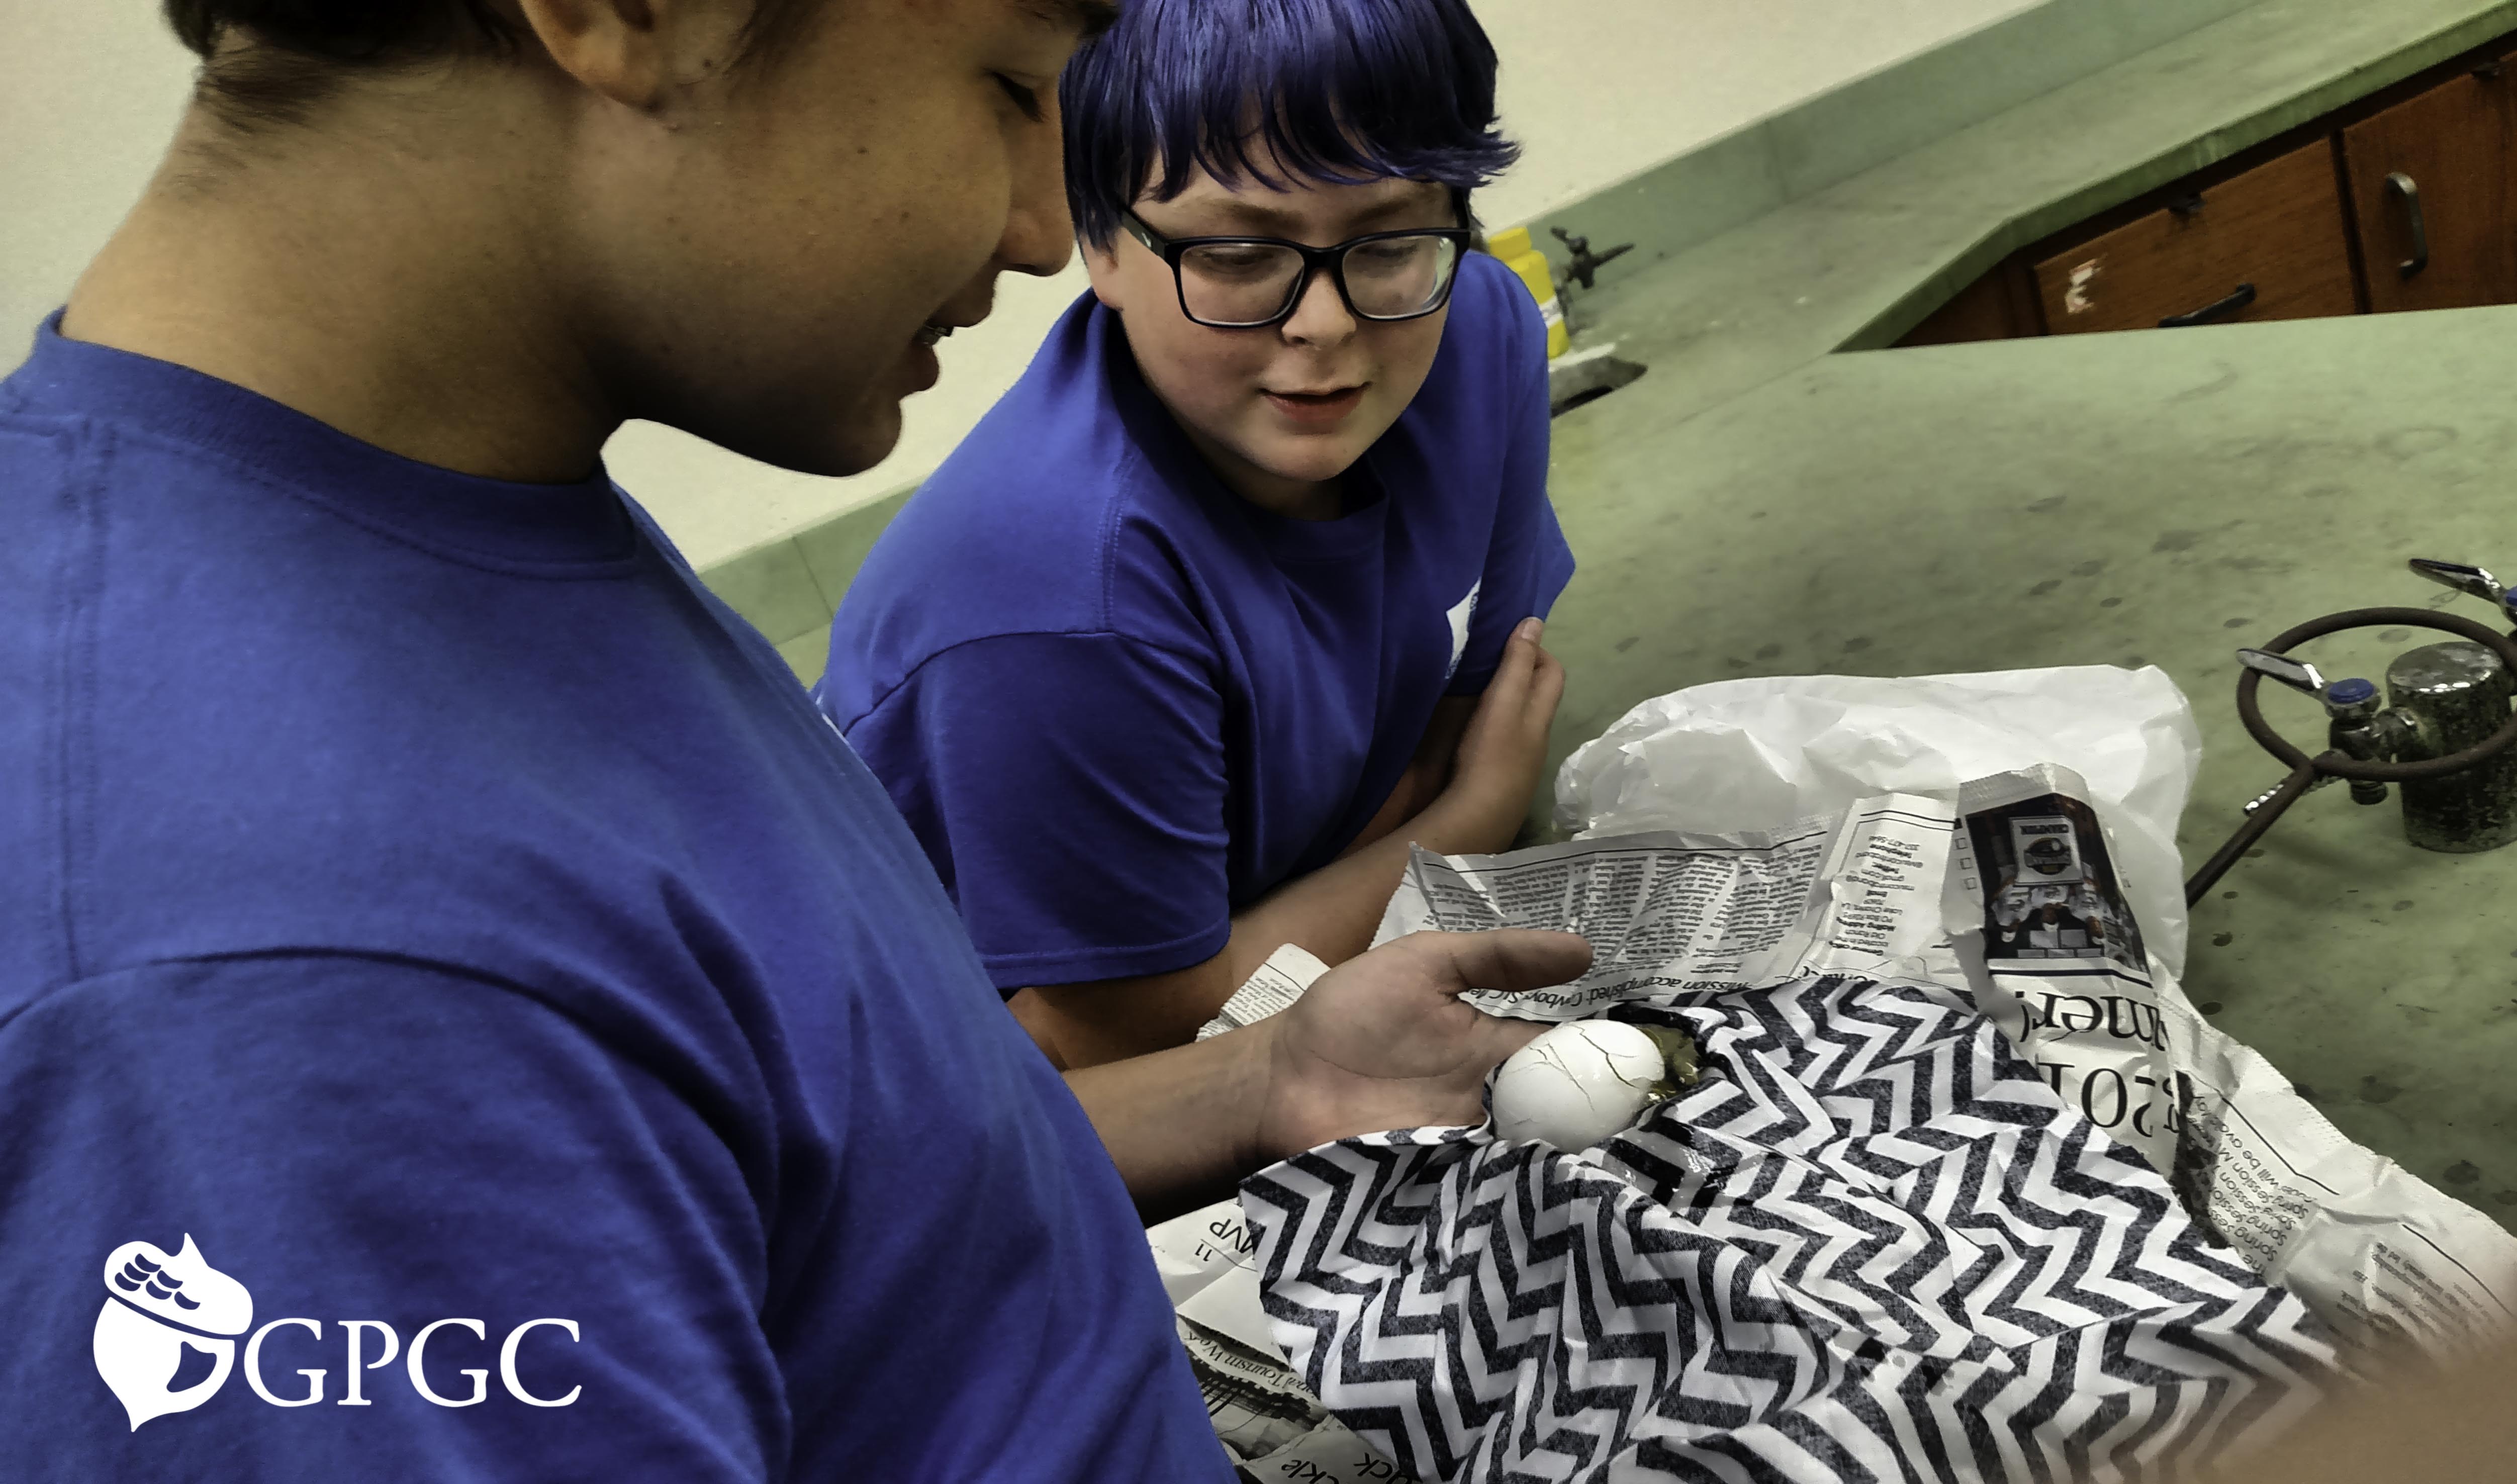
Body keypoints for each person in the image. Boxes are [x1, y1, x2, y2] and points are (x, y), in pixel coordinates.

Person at [0, 2, 1589, 1479]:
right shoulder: (265, 957)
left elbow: (852, 1206)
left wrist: (1266, 1080)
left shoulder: (464, 523)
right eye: (1010, 84)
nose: (1046, 232)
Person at [814, 0, 1577, 1069]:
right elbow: (1111, 1036)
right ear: (1098, 241)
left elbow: (1465, 718)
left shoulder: (1478, 331)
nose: (1325, 325)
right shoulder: (1055, 599)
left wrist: (1397, 841)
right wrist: (1468, 822)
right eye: (1237, 253)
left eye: (1393, 240)